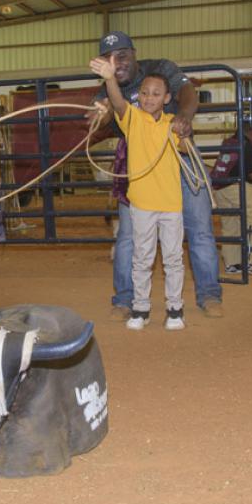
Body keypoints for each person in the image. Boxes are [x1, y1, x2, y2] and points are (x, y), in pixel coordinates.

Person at [86, 31, 224, 320]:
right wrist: (100, 114)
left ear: (134, 54)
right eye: (109, 57)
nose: (117, 62)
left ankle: (209, 295)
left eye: (122, 54)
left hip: (181, 156)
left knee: (199, 229)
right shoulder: (106, 89)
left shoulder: (161, 68)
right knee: (128, 236)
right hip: (140, 167)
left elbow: (188, 93)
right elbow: (108, 113)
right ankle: (124, 300)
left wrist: (184, 116)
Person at [89, 56, 191, 331]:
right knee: (142, 258)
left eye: (156, 94)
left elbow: (185, 147)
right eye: (144, 93)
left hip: (171, 205)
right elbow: (118, 103)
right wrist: (110, 78)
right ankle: (141, 308)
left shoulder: (173, 124)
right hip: (142, 204)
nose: (148, 98)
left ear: (167, 97)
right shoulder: (132, 119)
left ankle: (174, 308)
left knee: (172, 258)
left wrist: (185, 128)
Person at [211, 116, 252, 275]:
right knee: (249, 223)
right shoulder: (248, 147)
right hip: (240, 188)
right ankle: (250, 261)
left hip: (220, 188)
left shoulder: (229, 142)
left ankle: (232, 263)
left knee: (230, 225)